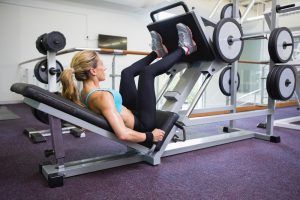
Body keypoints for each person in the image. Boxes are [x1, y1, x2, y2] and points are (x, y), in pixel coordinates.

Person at [60, 23, 197, 147]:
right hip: (143, 124)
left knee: (126, 73)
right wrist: (150, 136)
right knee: (147, 73)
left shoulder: (85, 91)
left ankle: (157, 53)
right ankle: (185, 48)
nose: (105, 68)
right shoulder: (102, 97)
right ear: (93, 71)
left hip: (131, 111)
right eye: (102, 64)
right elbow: (123, 134)